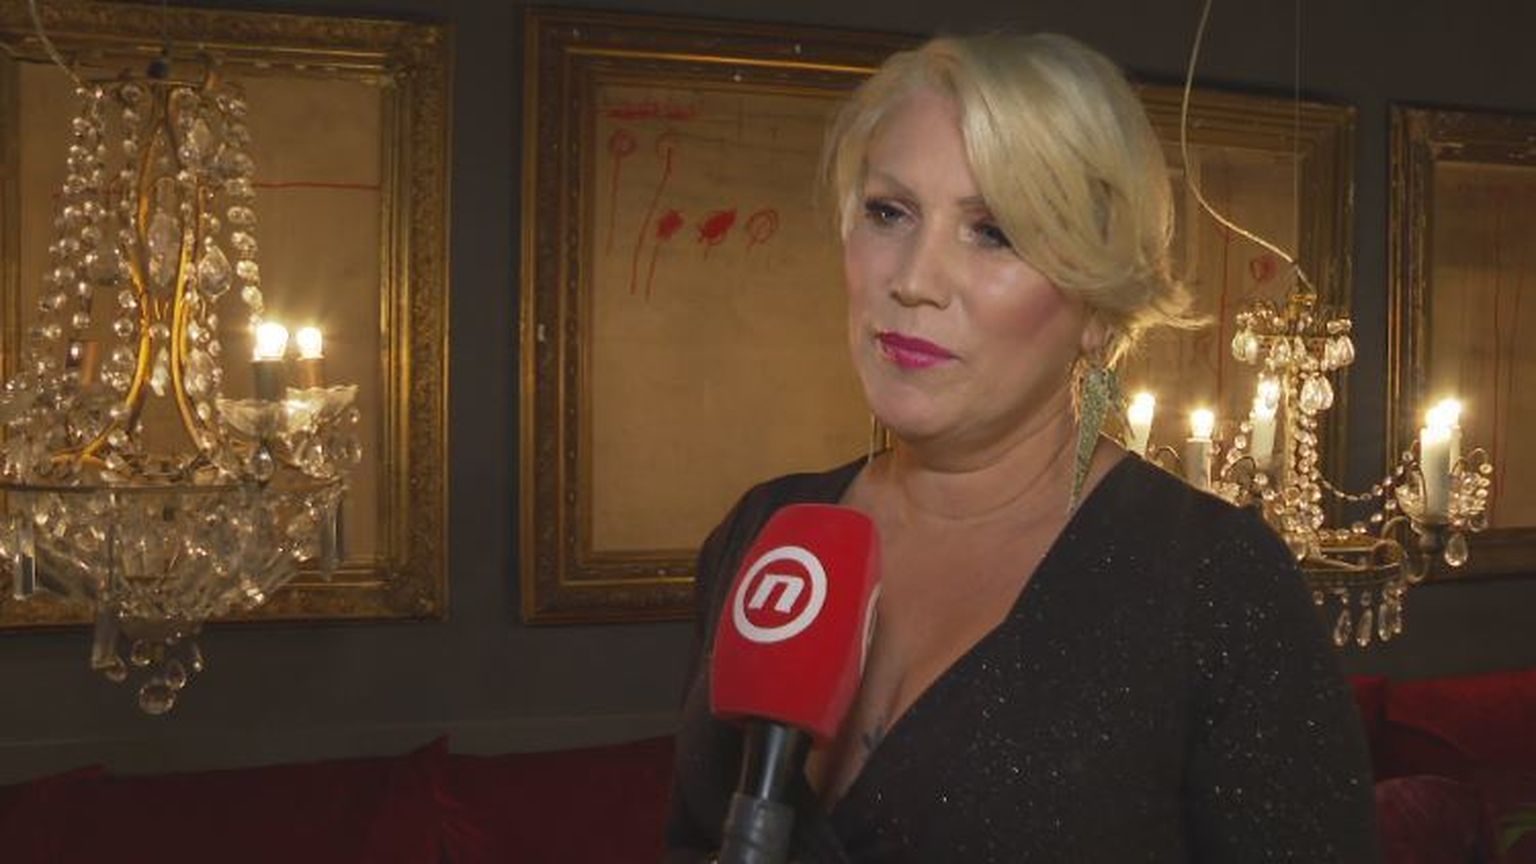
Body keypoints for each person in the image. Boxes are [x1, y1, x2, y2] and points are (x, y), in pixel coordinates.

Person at [665, 32, 1379, 863]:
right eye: (889, 212)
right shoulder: (765, 532)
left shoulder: (1214, 585)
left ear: (1099, 306)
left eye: (995, 232)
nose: (914, 280)